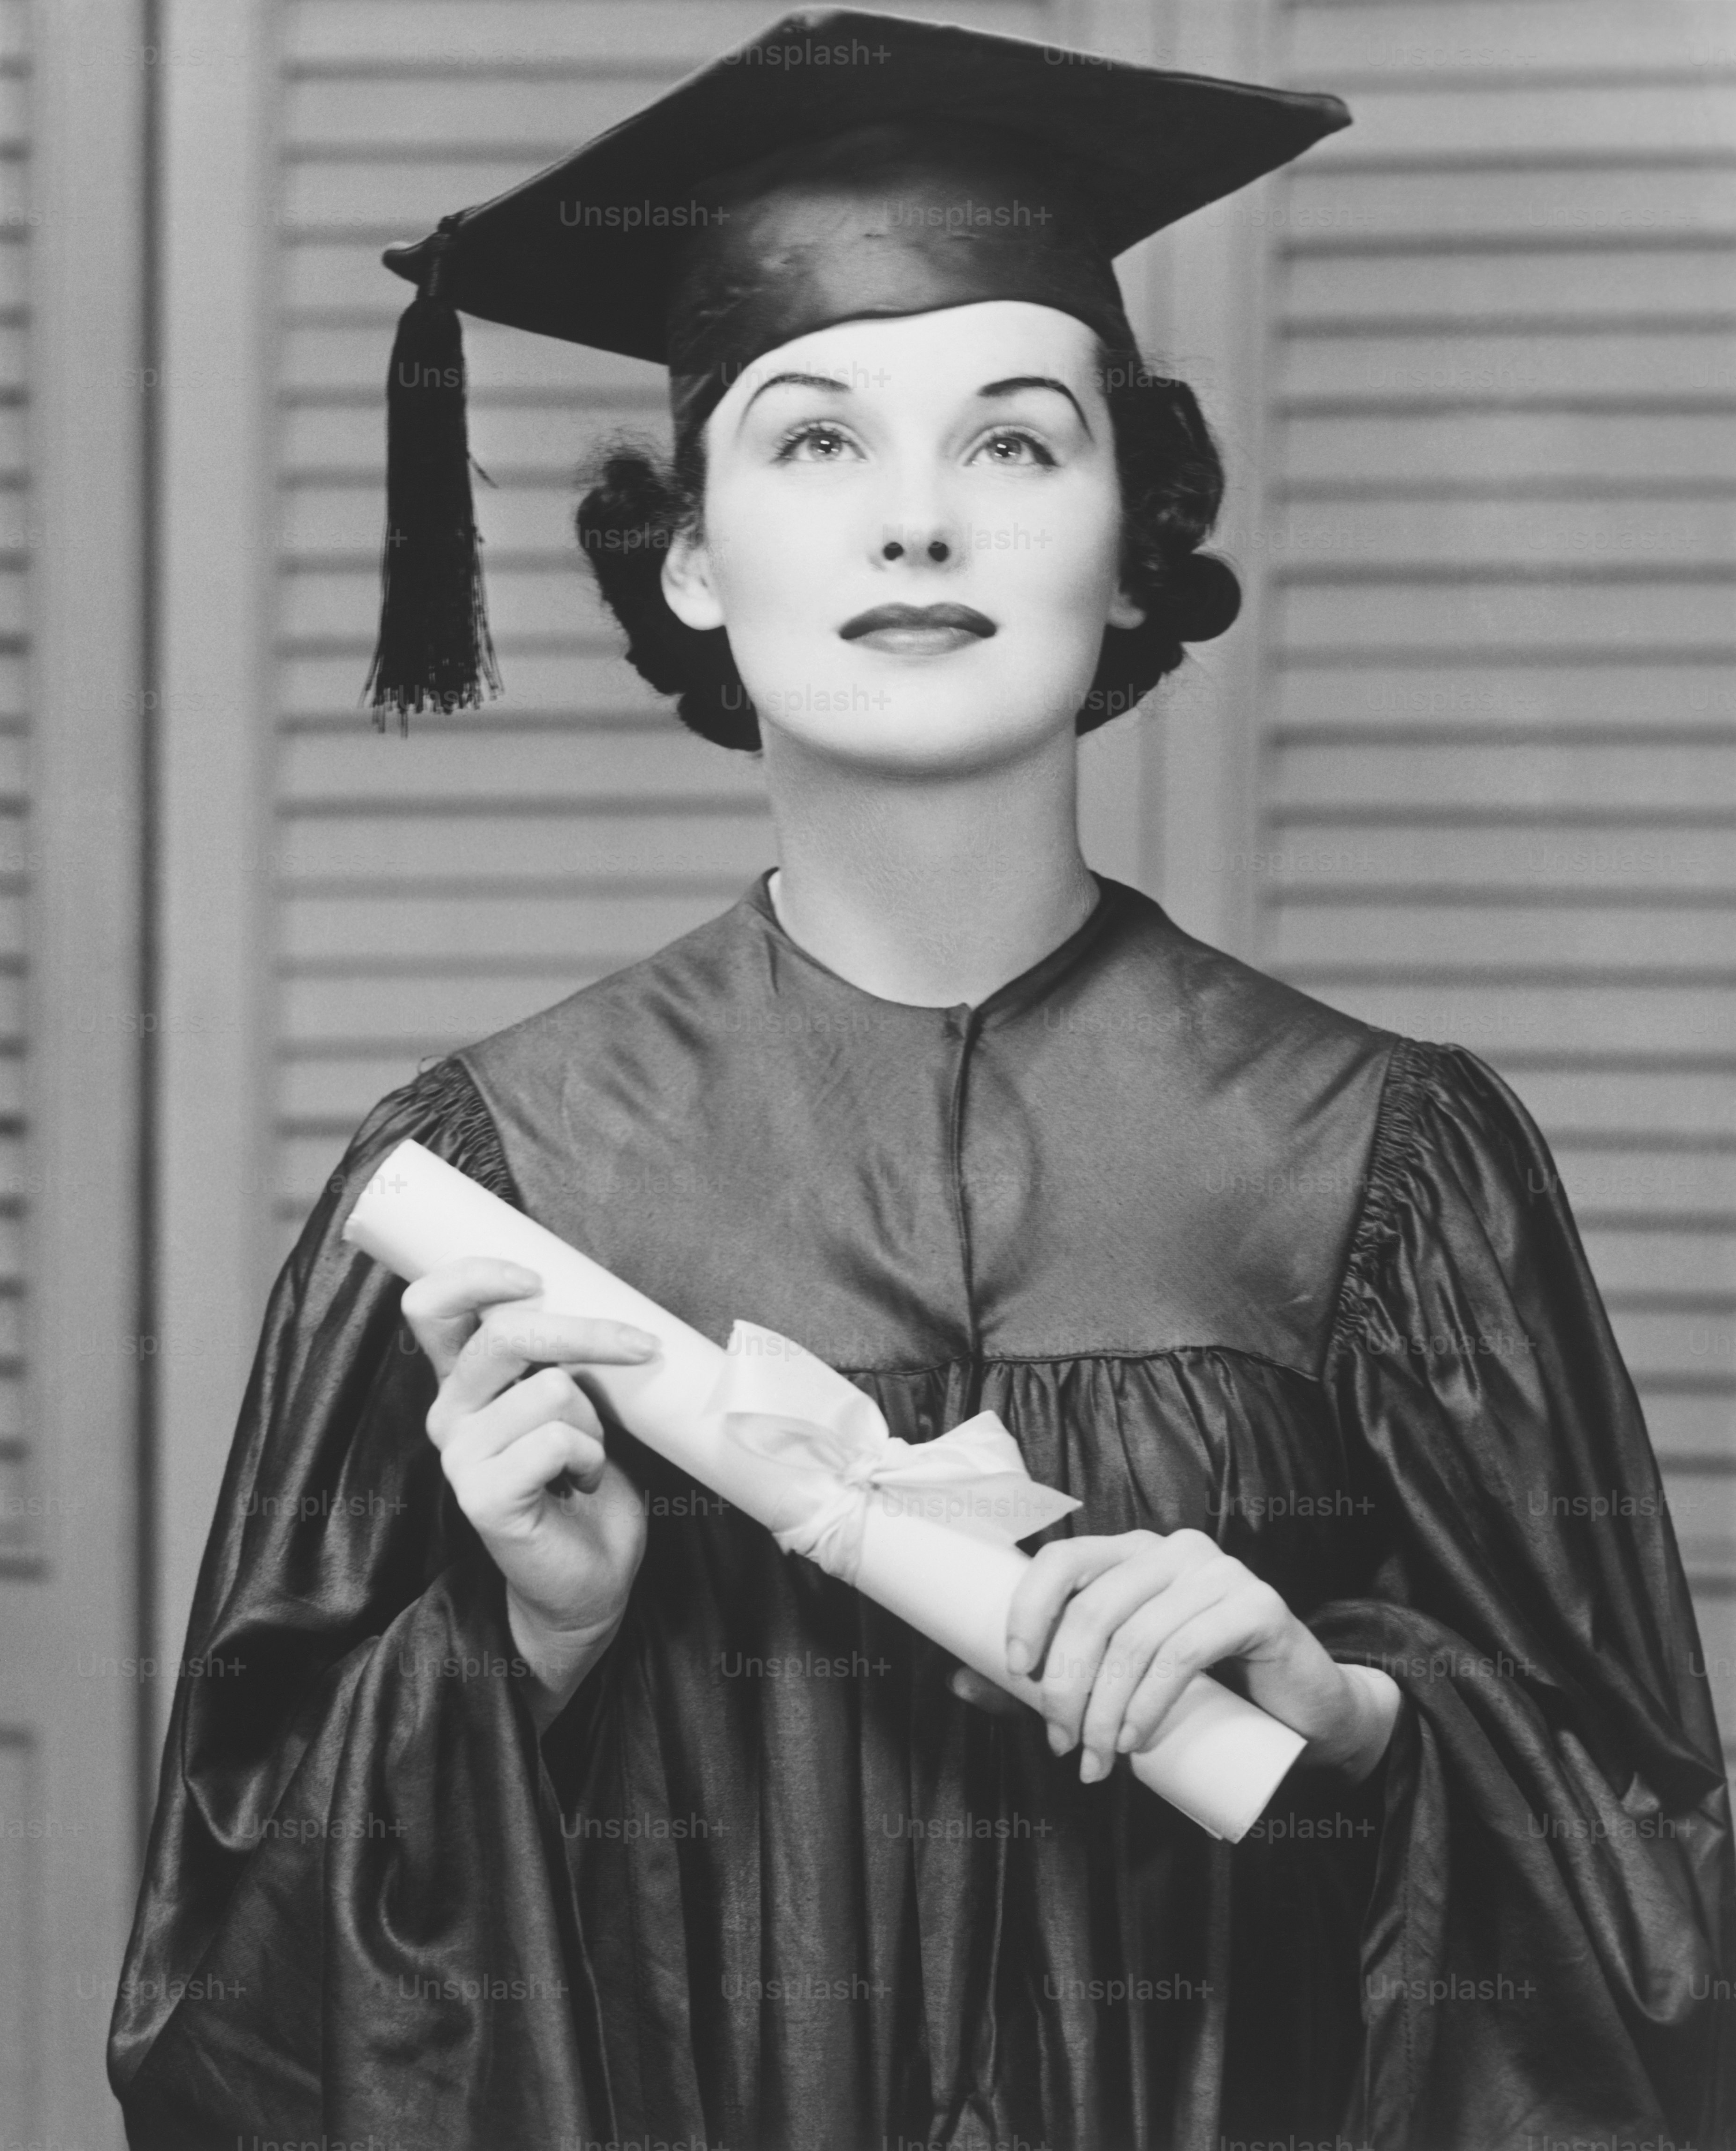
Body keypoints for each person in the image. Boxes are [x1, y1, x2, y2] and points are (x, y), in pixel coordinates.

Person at [108, 13, 1734, 2149]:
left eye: (1013, 443)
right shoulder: (489, 1192)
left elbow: (1659, 1942)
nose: (913, 526)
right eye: (810, 443)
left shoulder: (1385, 1171)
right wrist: (525, 1650)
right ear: (691, 556)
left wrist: (1352, 1720)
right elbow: (225, 2011)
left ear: (1130, 541)